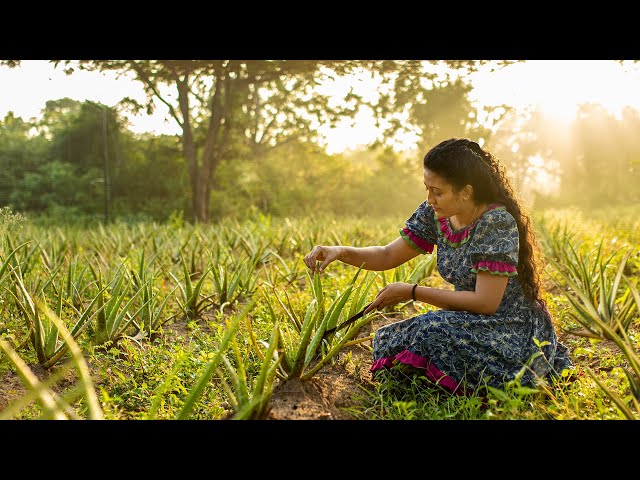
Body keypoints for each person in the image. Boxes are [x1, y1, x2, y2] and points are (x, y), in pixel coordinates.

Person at [303, 137, 573, 395]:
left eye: (438, 192)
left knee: (432, 332)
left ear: (466, 192)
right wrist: (339, 251)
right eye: (427, 189)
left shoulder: (495, 223)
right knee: (392, 337)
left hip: (507, 325)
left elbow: (486, 303)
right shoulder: (435, 214)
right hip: (469, 319)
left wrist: (412, 291)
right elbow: (386, 255)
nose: (430, 199)